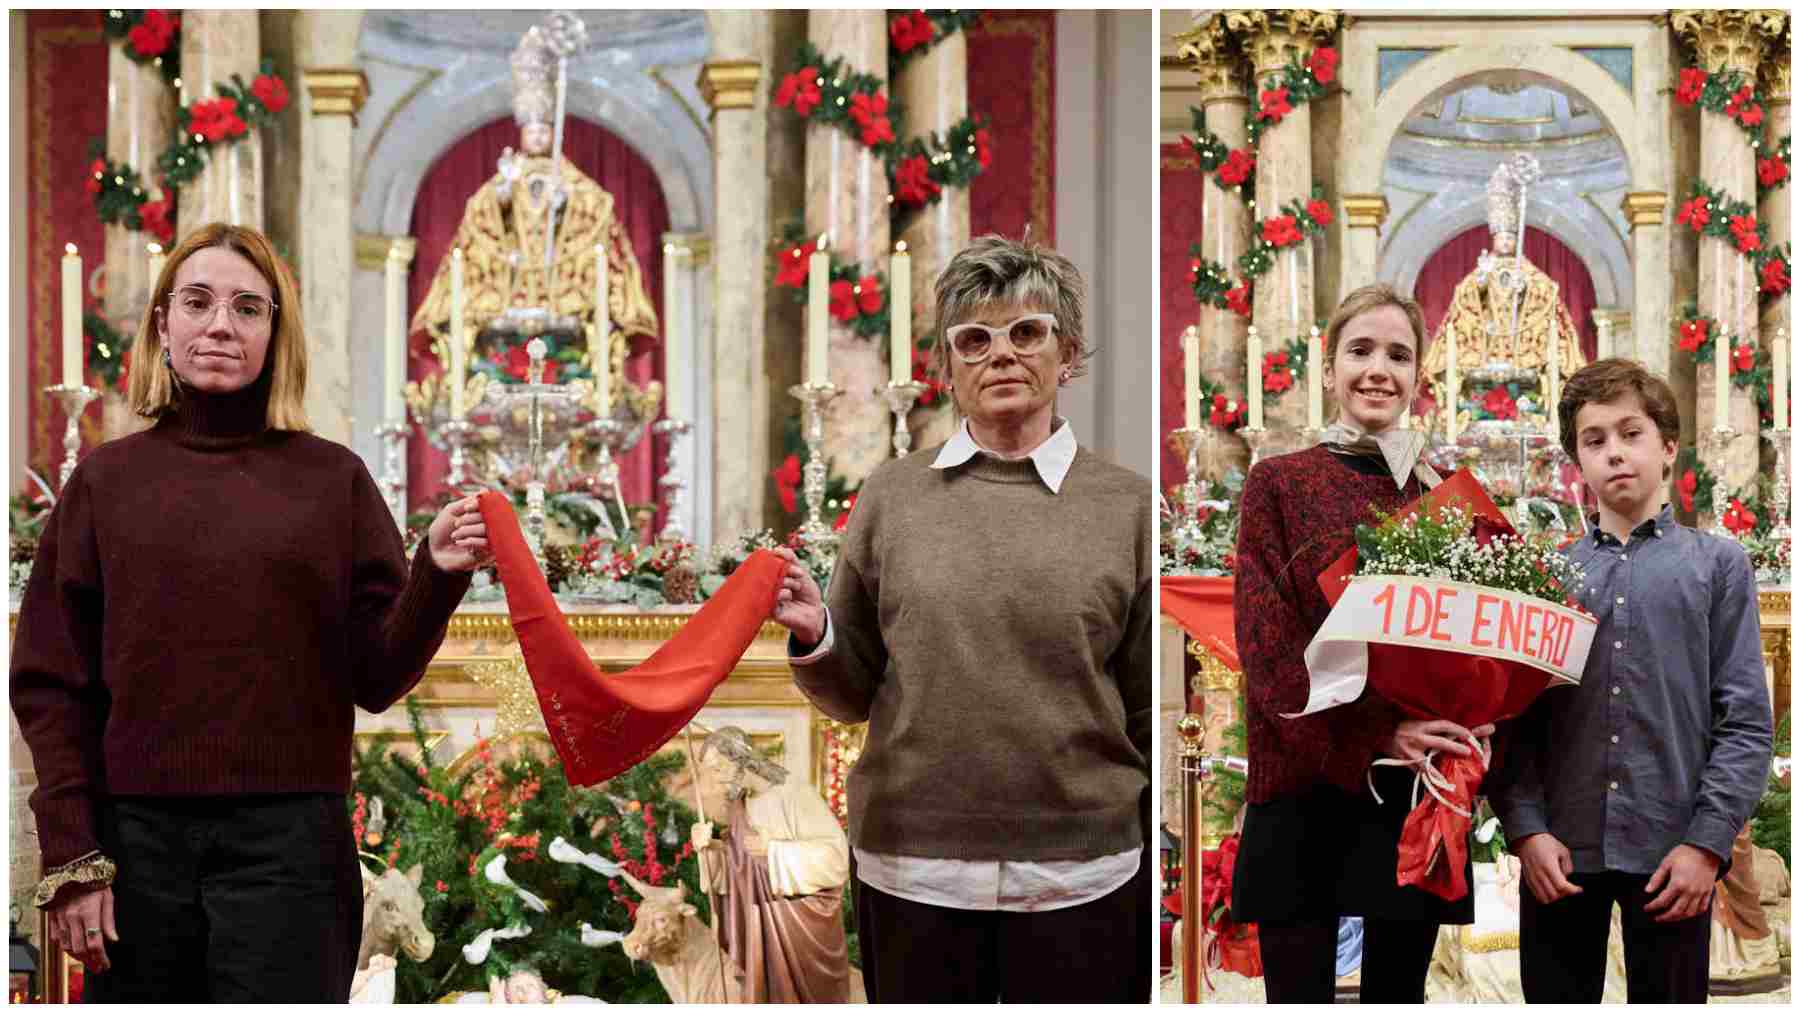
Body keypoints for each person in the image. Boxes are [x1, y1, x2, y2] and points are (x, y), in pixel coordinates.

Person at [9, 223, 490, 1002]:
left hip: (293, 856)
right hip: (136, 855)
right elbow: (50, 684)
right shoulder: (104, 484)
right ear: (164, 324)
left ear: (276, 331)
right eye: (197, 302)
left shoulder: (334, 482)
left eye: (247, 307)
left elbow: (376, 674)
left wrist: (434, 571)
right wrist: (73, 856)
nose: (221, 325)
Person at [767, 235, 1153, 1002]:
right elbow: (853, 690)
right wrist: (816, 635)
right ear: (946, 369)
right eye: (974, 339)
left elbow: (1144, 702)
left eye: (1026, 332)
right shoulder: (891, 496)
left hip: (1080, 871)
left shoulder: (1128, 505)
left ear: (1067, 352)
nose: (1001, 355)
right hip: (916, 866)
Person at [1231, 283, 1489, 1003]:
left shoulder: (1443, 494)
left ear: (1418, 376)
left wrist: (1480, 708)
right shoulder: (1277, 483)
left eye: (1399, 355)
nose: (1379, 369)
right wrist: (1377, 733)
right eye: (1361, 350)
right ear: (1329, 366)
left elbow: (1470, 639)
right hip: (1303, 780)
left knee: (1397, 996)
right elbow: (1268, 648)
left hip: (1408, 796)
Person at [1488, 358, 1773, 1003]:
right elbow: (1512, 719)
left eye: (1631, 433)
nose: (1615, 453)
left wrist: (1707, 844)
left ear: (1668, 445)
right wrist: (1527, 829)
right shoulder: (1545, 578)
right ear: (1576, 462)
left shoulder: (1718, 567)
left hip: (1674, 854)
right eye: (1595, 441)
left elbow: (1746, 721)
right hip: (1560, 855)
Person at [408, 21, 659, 354]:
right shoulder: (510, 173)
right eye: (532, 131)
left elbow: (597, 206)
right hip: (514, 271)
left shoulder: (567, 176)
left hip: (559, 272)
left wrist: (566, 200)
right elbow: (480, 213)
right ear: (522, 133)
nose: (538, 137)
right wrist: (505, 192)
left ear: (553, 134)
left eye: (544, 131)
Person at [687, 726, 852, 1002]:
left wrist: (775, 852)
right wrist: (710, 849)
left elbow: (837, 857)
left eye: (718, 769)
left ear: (739, 757)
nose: (715, 780)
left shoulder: (793, 793)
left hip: (801, 929)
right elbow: (741, 866)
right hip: (761, 927)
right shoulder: (741, 803)